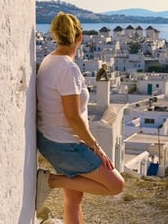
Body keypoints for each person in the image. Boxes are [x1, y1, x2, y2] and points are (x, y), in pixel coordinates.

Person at [36, 12, 124, 223]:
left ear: (54, 35)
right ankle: (50, 181)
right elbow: (73, 117)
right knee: (116, 185)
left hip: (49, 139)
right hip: (65, 144)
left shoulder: (49, 61)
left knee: (74, 198)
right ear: (80, 37)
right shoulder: (68, 69)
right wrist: (96, 147)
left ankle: (57, 182)